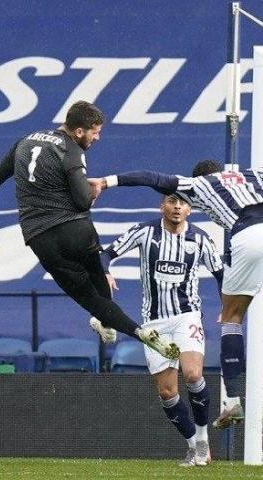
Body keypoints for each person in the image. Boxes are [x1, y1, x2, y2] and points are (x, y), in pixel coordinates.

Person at [89, 160, 263, 427]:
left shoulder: (197, 185)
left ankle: (232, 402)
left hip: (249, 233)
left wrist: (106, 181)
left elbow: (151, 176)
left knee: (232, 318)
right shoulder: (251, 174)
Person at [0, 101, 179, 360]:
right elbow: (81, 201)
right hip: (75, 230)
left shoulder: (25, 141)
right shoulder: (71, 150)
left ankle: (136, 331)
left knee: (88, 296)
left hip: (40, 237)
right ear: (78, 132)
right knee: (99, 281)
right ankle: (112, 322)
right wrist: (91, 189)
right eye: (94, 132)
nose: (97, 137)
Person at [95, 194, 223, 466]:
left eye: (183, 203)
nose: (177, 207)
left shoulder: (200, 239)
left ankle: (202, 440)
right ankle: (192, 446)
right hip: (154, 323)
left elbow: (221, 273)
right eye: (172, 201)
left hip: (186, 316)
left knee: (192, 373)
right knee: (167, 392)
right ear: (161, 206)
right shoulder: (145, 232)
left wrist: (228, 307)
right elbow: (106, 254)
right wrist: (106, 272)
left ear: (190, 209)